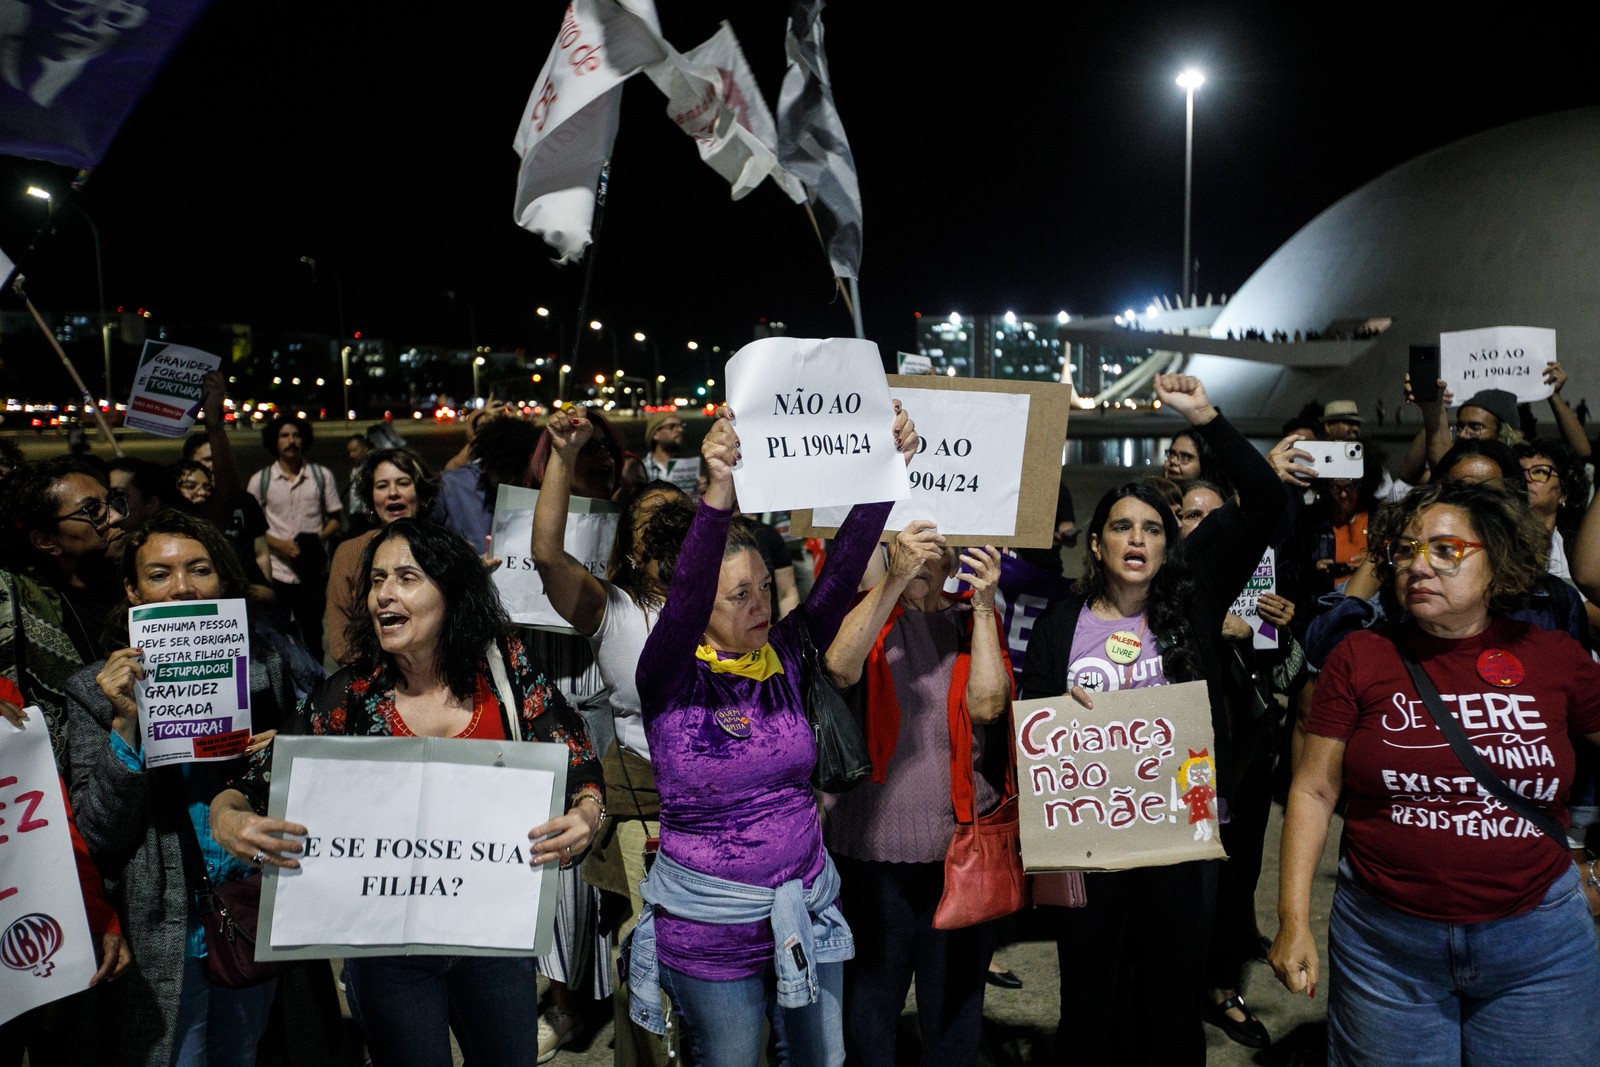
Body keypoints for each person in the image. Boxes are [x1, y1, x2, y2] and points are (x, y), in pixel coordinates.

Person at [210, 519, 604, 1067]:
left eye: (406, 577)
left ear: (452, 593)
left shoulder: (506, 669)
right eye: (376, 580)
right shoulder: (349, 695)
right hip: (386, 956)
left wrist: (587, 812)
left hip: (494, 946)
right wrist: (226, 818)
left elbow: (577, 756)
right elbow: (249, 786)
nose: (384, 595)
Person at [625, 402, 917, 1066]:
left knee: (820, 1061)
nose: (759, 604)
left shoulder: (785, 653)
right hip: (709, 929)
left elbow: (841, 572)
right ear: (698, 606)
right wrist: (719, 494)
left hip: (805, 908)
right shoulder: (668, 674)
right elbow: (694, 582)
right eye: (738, 596)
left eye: (764, 587)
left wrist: (888, 472)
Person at [1270, 479, 1600, 1064]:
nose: (1418, 567)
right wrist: (1293, 918)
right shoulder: (1361, 657)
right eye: (1405, 550)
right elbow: (1315, 789)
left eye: (1445, 550)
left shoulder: (1553, 658)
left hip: (1538, 946)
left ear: (1497, 564)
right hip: (1385, 947)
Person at [1020, 374, 1288, 1065]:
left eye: (1151, 527)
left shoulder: (1194, 605)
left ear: (1169, 545)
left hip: (1181, 835)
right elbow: (1030, 731)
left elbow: (1266, 502)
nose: (1136, 537)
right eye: (1121, 526)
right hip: (1089, 843)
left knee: (1171, 1002)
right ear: (1099, 545)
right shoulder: (1059, 626)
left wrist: (1208, 418)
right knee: (1090, 995)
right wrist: (1058, 720)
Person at [65, 510, 293, 1067]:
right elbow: (97, 837)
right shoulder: (93, 692)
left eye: (199, 569)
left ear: (224, 581)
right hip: (161, 928)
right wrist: (126, 727)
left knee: (243, 1054)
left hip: (247, 909)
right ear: (132, 590)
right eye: (159, 575)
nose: (183, 588)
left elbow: (298, 799)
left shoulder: (263, 672)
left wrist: (280, 759)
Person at [532, 406, 691, 1065]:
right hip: (650, 811)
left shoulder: (722, 602)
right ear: (630, 540)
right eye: (651, 520)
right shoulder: (610, 608)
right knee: (652, 951)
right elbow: (545, 553)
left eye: (676, 517)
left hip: (723, 807)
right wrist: (565, 455)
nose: (666, 529)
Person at [820, 521, 1012, 1067]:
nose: (924, 555)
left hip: (960, 852)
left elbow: (988, 707)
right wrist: (893, 581)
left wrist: (982, 607)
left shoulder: (974, 617)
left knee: (953, 1013)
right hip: (870, 852)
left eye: (937, 547)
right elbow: (838, 666)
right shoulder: (867, 610)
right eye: (910, 544)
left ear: (956, 558)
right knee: (868, 1014)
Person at [0, 457, 129, 763]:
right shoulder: (13, 599)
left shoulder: (142, 579)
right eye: (92, 510)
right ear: (46, 541)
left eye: (110, 502)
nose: (115, 516)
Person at [325, 448, 438, 665]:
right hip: (372, 679)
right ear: (371, 497)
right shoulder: (349, 553)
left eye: (403, 483)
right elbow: (340, 642)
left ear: (421, 494)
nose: (393, 493)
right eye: (382, 486)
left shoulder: (448, 548)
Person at [247, 413, 342, 657]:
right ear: (274, 441)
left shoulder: (321, 476)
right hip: (276, 573)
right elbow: (251, 526)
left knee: (312, 639)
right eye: (284, 435)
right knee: (272, 638)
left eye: (296, 435)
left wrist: (313, 542)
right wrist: (279, 545)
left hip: (312, 575)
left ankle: (316, 692)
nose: (291, 441)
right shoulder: (260, 480)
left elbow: (335, 519)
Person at [641, 412, 687, 484]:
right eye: (672, 426)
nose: (680, 430)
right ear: (655, 434)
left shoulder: (686, 467)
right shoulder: (642, 470)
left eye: (681, 426)